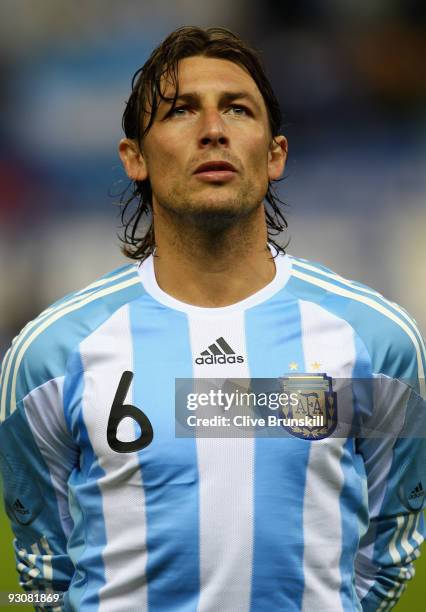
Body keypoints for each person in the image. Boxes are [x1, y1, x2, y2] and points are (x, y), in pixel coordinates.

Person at [0, 25, 425, 612]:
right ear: (135, 158)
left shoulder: (379, 341)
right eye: (180, 111)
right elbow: (43, 572)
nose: (213, 130)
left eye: (237, 109)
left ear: (275, 153)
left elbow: (389, 551)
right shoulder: (50, 354)